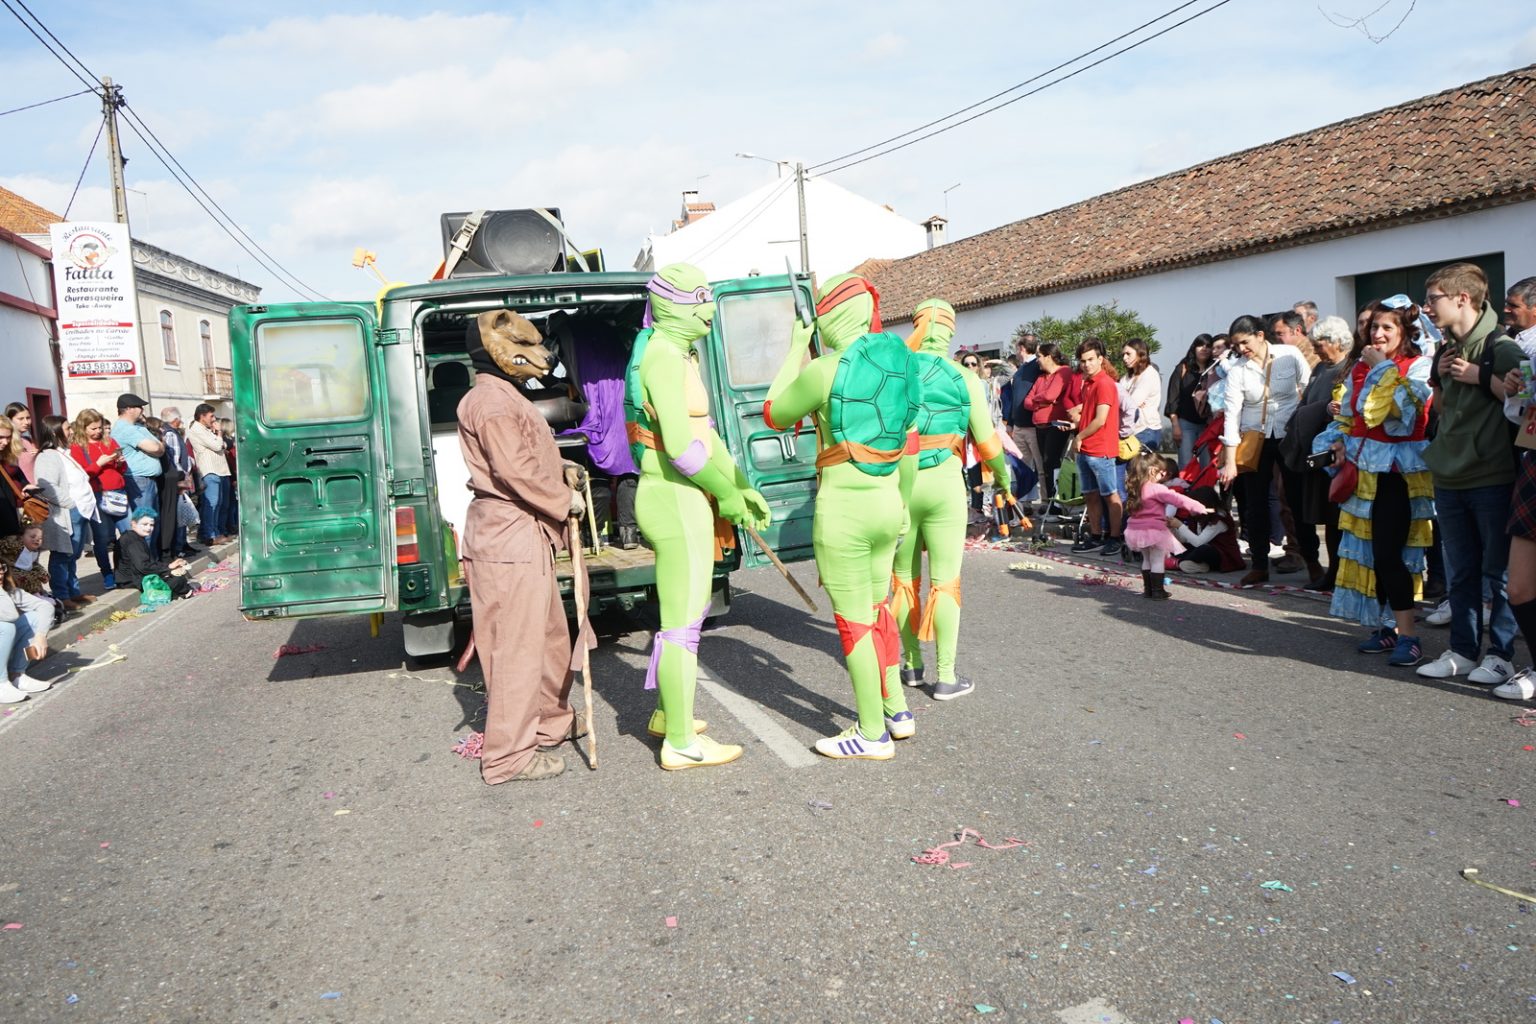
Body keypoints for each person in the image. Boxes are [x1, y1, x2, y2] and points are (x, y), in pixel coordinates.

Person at [766, 273, 919, 761]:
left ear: (827, 318)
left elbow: (774, 412)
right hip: (888, 503)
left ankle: (871, 733)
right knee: (878, 611)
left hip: (845, 511)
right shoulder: (900, 365)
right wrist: (903, 507)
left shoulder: (823, 370)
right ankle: (896, 710)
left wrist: (796, 347)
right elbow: (910, 446)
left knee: (854, 624)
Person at [627, 265, 768, 770]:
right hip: (673, 497)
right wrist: (726, 494)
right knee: (682, 625)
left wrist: (742, 486)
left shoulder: (676, 352)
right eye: (700, 298)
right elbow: (682, 449)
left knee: (689, 615)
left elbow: (706, 433)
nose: (710, 308)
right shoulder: (664, 356)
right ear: (673, 305)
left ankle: (670, 716)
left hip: (684, 497)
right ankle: (681, 743)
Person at [457, 309, 594, 783]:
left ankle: (550, 723)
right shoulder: (491, 402)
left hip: (523, 537)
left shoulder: (505, 395)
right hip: (507, 539)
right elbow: (513, 470)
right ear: (498, 350)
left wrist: (562, 470)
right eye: (528, 346)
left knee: (550, 638)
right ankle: (507, 757)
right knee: (514, 650)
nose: (541, 355)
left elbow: (527, 456)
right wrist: (562, 499)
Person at [891, 298, 1010, 702]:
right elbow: (989, 444)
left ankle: (911, 665)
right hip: (945, 485)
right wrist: (1005, 481)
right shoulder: (965, 377)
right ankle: (945, 677)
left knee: (903, 580)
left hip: (901, 485)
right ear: (950, 331)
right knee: (946, 582)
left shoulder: (896, 372)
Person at [1416, 263, 1525, 684]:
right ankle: (1462, 651)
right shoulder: (1446, 349)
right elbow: (1444, 411)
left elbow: (1522, 404)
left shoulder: (1503, 347)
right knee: (1460, 573)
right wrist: (1441, 377)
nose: (1427, 307)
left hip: (1491, 475)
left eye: (1434, 298)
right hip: (1450, 475)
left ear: (1462, 299)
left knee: (1498, 575)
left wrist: (1481, 376)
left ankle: (1500, 656)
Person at [1314, 299, 1434, 667]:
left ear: (1405, 332)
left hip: (1398, 475)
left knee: (1389, 554)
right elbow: (1351, 418)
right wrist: (1336, 442)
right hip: (1364, 473)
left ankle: (1409, 635)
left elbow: (1401, 415)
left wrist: (1382, 367)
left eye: (1387, 328)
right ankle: (1388, 628)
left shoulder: (1418, 366)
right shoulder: (1359, 369)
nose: (1377, 334)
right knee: (1371, 555)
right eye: (1373, 327)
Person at [1218, 314, 1310, 585]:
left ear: (1260, 335)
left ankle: (1312, 561)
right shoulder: (1237, 370)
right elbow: (1231, 415)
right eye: (1236, 345)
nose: (1241, 349)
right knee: (1255, 505)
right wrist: (1230, 460)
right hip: (1254, 439)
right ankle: (1259, 564)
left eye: (1244, 342)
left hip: (1288, 435)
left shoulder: (1289, 355)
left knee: (1296, 500)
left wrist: (1306, 428)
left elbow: (1308, 390)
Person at [1492, 277, 1536, 700]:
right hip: (1533, 464)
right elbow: (1520, 417)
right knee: (1520, 586)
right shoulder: (1524, 349)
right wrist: (1514, 394)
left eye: (1514, 304)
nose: (1507, 311)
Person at [30, 416, 98, 610]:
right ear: (55, 431)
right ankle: (62, 595)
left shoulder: (62, 452)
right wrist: (71, 504)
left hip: (78, 511)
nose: (71, 431)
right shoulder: (47, 456)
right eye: (67, 428)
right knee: (62, 555)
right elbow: (47, 486)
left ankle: (73, 592)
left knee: (72, 556)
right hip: (66, 512)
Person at [1122, 448, 1210, 599]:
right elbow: (1178, 499)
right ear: (1152, 471)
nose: (1163, 476)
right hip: (1154, 530)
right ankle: (1158, 591)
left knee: (1146, 560)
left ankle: (1148, 590)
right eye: (1161, 473)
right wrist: (1198, 507)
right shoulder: (1157, 488)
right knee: (1157, 560)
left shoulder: (1134, 488)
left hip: (1135, 530)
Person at [1069, 338, 1126, 556]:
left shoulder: (1104, 383)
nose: (1086, 364)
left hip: (1100, 449)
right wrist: (1076, 424)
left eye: (1091, 359)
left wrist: (1079, 436)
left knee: (1110, 495)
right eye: (1083, 361)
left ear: (1100, 359)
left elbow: (1101, 419)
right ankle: (1095, 536)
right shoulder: (1088, 383)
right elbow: (1090, 414)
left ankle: (1115, 537)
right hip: (1086, 448)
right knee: (1090, 495)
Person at [69, 408, 127, 588]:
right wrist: (98, 464)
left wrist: (120, 463)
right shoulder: (77, 447)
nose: (98, 431)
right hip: (98, 494)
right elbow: (81, 474)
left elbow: (121, 469)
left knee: (128, 532)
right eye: (93, 428)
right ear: (83, 428)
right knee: (102, 538)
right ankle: (107, 573)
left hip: (118, 492)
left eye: (100, 427)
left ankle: (124, 569)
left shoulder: (109, 441)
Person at [1024, 342, 1079, 513]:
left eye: (1039, 356)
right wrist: (1042, 402)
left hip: (1056, 425)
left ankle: (1056, 503)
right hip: (1040, 425)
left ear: (1049, 356)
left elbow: (1051, 395)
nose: (1037, 360)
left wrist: (1041, 399)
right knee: (1045, 465)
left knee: (1052, 462)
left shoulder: (1063, 371)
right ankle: (1049, 501)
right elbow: (1027, 402)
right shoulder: (1041, 377)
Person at [110, 394, 165, 555]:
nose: (142, 410)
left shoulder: (138, 427)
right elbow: (156, 448)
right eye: (139, 407)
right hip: (139, 481)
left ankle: (150, 560)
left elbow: (161, 446)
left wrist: (158, 447)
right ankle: (143, 562)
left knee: (151, 523)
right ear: (129, 409)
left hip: (148, 481)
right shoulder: (125, 429)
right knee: (144, 524)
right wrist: (158, 448)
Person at [0, 563, 54, 703]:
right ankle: (1, 682)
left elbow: (46, 607)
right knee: (6, 627)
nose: (1, 573)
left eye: (1, 568)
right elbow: (9, 616)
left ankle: (17, 675)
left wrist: (40, 636)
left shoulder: (10, 591)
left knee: (35, 618)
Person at [114, 507, 192, 599]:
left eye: (151, 525)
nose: (148, 528)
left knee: (177, 575)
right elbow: (143, 567)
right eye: (144, 524)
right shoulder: (133, 541)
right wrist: (169, 567)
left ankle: (180, 591)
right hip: (131, 581)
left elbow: (147, 564)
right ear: (134, 524)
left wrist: (169, 567)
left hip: (136, 576)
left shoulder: (136, 537)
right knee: (178, 579)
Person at [1005, 332, 1044, 507]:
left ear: (1021, 348)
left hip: (1033, 425)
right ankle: (1026, 502)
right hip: (1019, 426)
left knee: (1040, 466)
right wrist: (1011, 423)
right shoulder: (1020, 370)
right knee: (1022, 467)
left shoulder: (1037, 366)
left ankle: (1045, 501)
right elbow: (1015, 398)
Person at [186, 403, 233, 545]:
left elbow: (225, 444)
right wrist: (219, 434)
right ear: (202, 416)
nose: (214, 419)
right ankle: (209, 535)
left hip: (220, 470)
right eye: (211, 416)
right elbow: (218, 445)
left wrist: (219, 440)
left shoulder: (207, 430)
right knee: (211, 504)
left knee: (220, 504)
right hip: (209, 470)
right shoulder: (196, 429)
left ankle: (216, 532)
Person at [1167, 334, 1214, 467]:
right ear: (1194, 348)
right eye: (1200, 345)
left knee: (1207, 466)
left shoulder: (1216, 370)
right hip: (1186, 424)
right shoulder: (1183, 368)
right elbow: (1172, 399)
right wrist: (1175, 426)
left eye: (1208, 346)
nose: (1204, 349)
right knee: (1186, 465)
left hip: (1208, 425)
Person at [1174, 486, 1244, 573]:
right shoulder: (1197, 517)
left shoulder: (1218, 519)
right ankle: (1186, 563)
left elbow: (1198, 542)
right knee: (1179, 547)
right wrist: (1172, 528)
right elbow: (1186, 539)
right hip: (1202, 549)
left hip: (1223, 556)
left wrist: (1180, 525)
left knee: (1204, 549)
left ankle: (1181, 562)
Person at [1119, 338, 1164, 452]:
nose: (1124, 358)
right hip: (1129, 431)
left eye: (1128, 354)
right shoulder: (1127, 377)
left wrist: (1127, 402)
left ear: (1140, 354)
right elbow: (1118, 401)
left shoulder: (1150, 374)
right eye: (1123, 354)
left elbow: (1131, 403)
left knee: (1140, 464)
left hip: (1145, 430)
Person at [4, 403, 39, 481]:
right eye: (21, 419)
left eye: (28, 418)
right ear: (10, 420)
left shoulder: (28, 441)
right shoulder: (6, 444)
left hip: (37, 486)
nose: (26, 422)